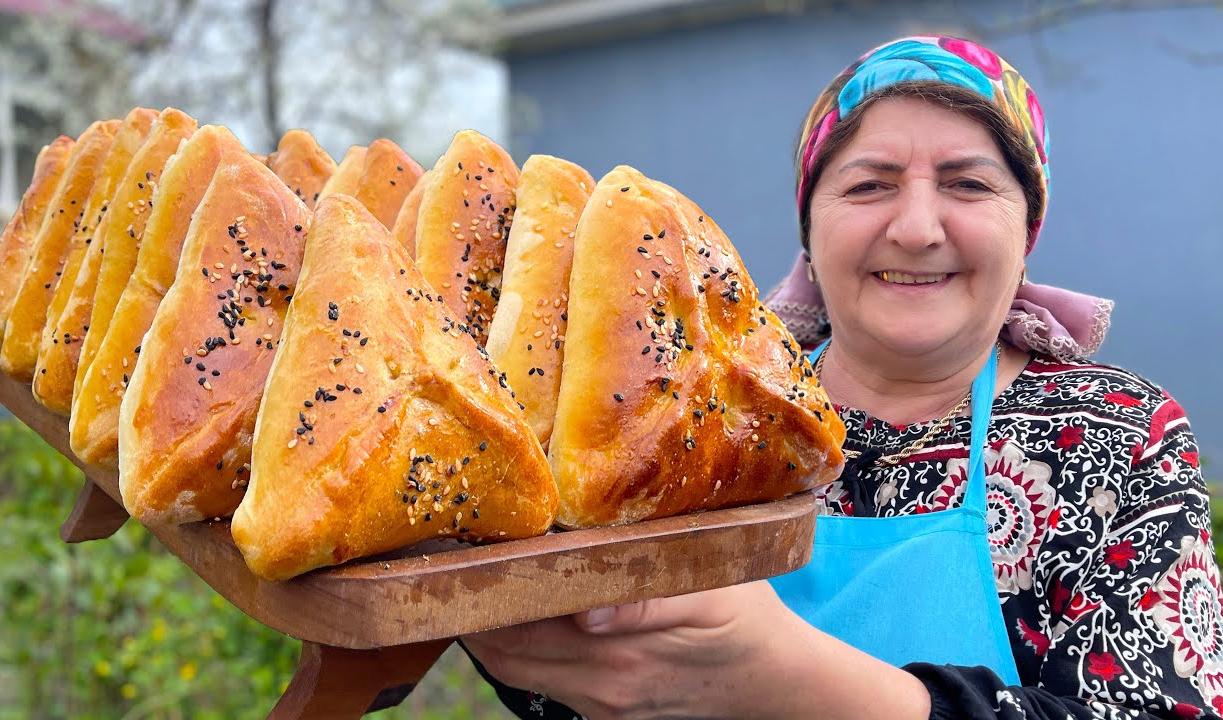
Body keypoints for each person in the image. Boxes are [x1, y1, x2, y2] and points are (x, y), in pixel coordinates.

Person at [461, 35, 1223, 719]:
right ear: (810, 233)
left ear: (1026, 231)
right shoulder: (708, 424)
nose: (917, 228)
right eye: (868, 185)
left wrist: (781, 684)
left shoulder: (1116, 436)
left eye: (967, 184)